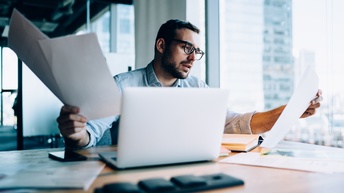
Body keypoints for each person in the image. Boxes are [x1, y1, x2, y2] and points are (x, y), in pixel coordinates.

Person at [57, 19, 322, 149]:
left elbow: (235, 123)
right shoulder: (123, 84)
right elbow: (89, 132)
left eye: (197, 51)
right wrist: (76, 133)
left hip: (187, 175)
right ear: (161, 45)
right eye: (186, 48)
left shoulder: (197, 87)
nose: (193, 57)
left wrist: (289, 111)